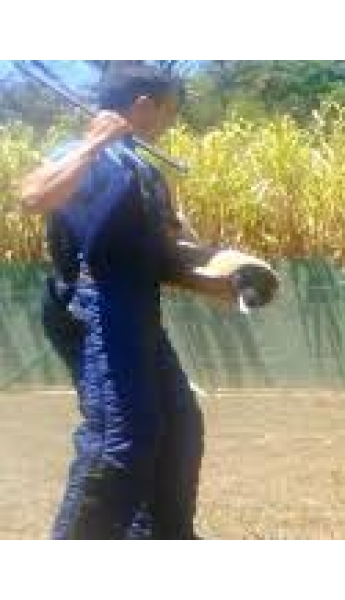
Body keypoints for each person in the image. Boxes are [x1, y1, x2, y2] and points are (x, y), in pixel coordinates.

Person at [20, 64, 204, 538]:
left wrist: (226, 274)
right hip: (95, 306)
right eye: (169, 111)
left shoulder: (146, 172)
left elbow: (165, 253)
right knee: (120, 443)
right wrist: (93, 142)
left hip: (140, 310)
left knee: (180, 427)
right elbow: (34, 196)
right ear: (144, 106)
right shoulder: (86, 154)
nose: (171, 122)